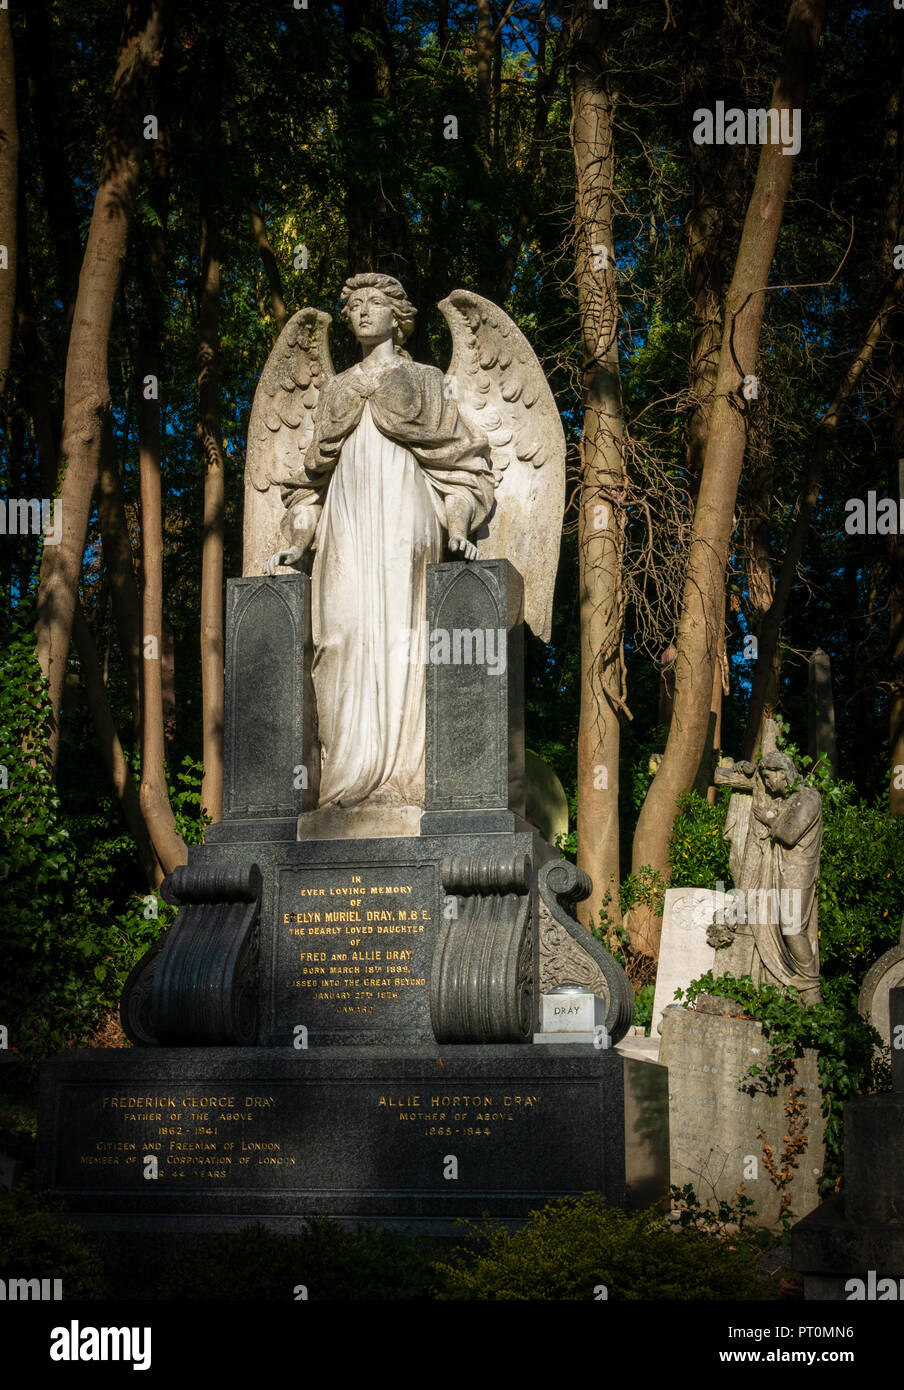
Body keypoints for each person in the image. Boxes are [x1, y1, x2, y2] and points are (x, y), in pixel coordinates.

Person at [267, 273, 495, 810]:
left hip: (404, 514)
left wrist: (457, 528)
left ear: (398, 315)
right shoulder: (336, 390)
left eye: (374, 303)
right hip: (344, 522)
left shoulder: (425, 380)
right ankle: (345, 780)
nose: (362, 313)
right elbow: (307, 487)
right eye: (354, 306)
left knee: (402, 638)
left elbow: (461, 466)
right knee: (339, 636)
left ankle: (401, 780)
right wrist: (300, 542)